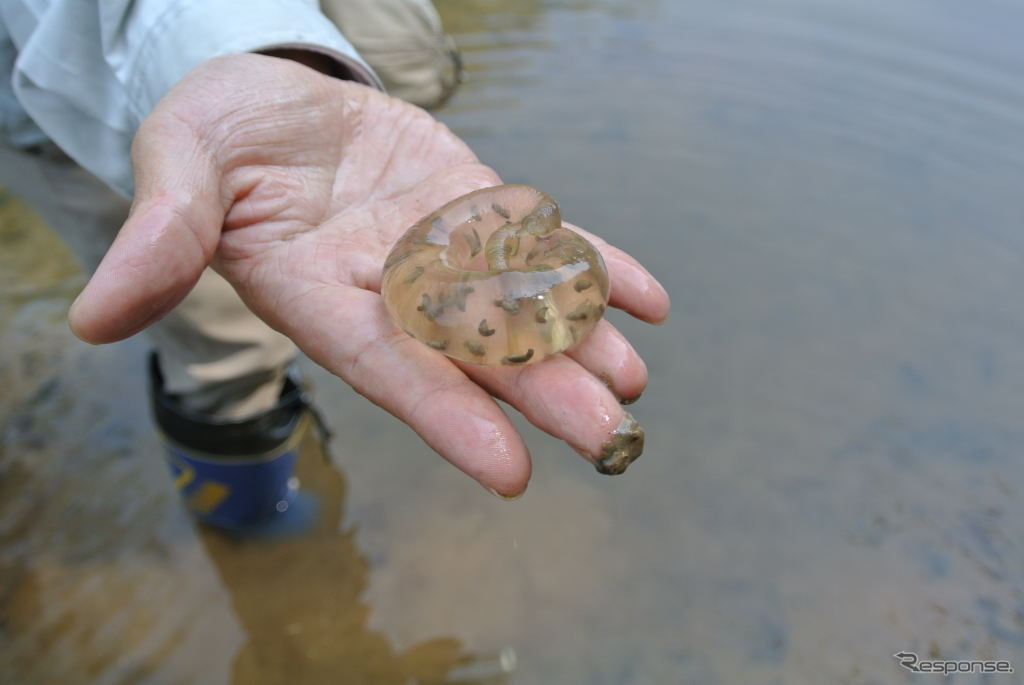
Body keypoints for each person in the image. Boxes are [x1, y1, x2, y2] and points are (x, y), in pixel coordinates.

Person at [0, 0, 670, 530]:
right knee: (220, 338)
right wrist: (217, 42)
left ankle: (256, 501)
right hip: (76, 83)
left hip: (323, 67)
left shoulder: (519, 250)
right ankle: (249, 513)